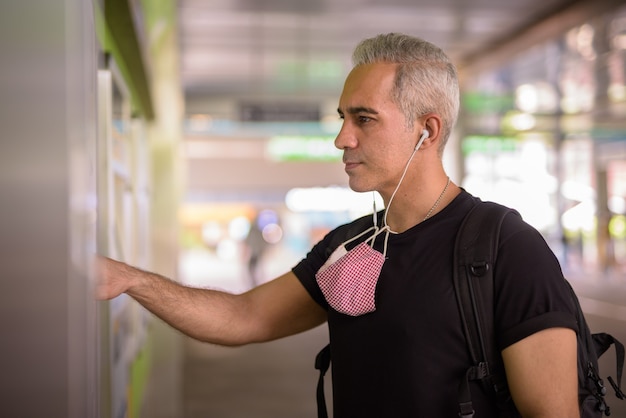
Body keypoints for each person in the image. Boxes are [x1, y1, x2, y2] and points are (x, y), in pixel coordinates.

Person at [97, 33, 579, 417]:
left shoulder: (506, 247)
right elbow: (245, 318)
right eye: (343, 117)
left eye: (364, 119)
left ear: (426, 131)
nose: (340, 138)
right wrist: (130, 280)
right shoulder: (349, 245)